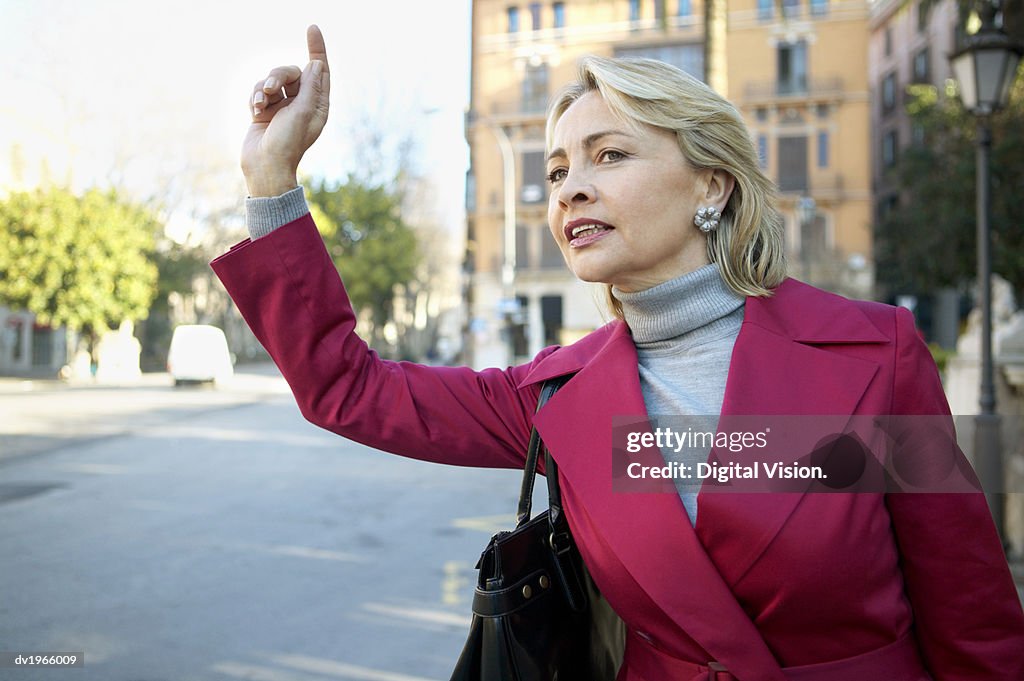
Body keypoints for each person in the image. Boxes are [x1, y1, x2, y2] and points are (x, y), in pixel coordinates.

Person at [212, 25, 1024, 681]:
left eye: (610, 155)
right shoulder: (559, 396)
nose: (567, 189)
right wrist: (271, 179)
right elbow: (347, 388)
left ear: (712, 185)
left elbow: (973, 617)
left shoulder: (873, 354)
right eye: (558, 169)